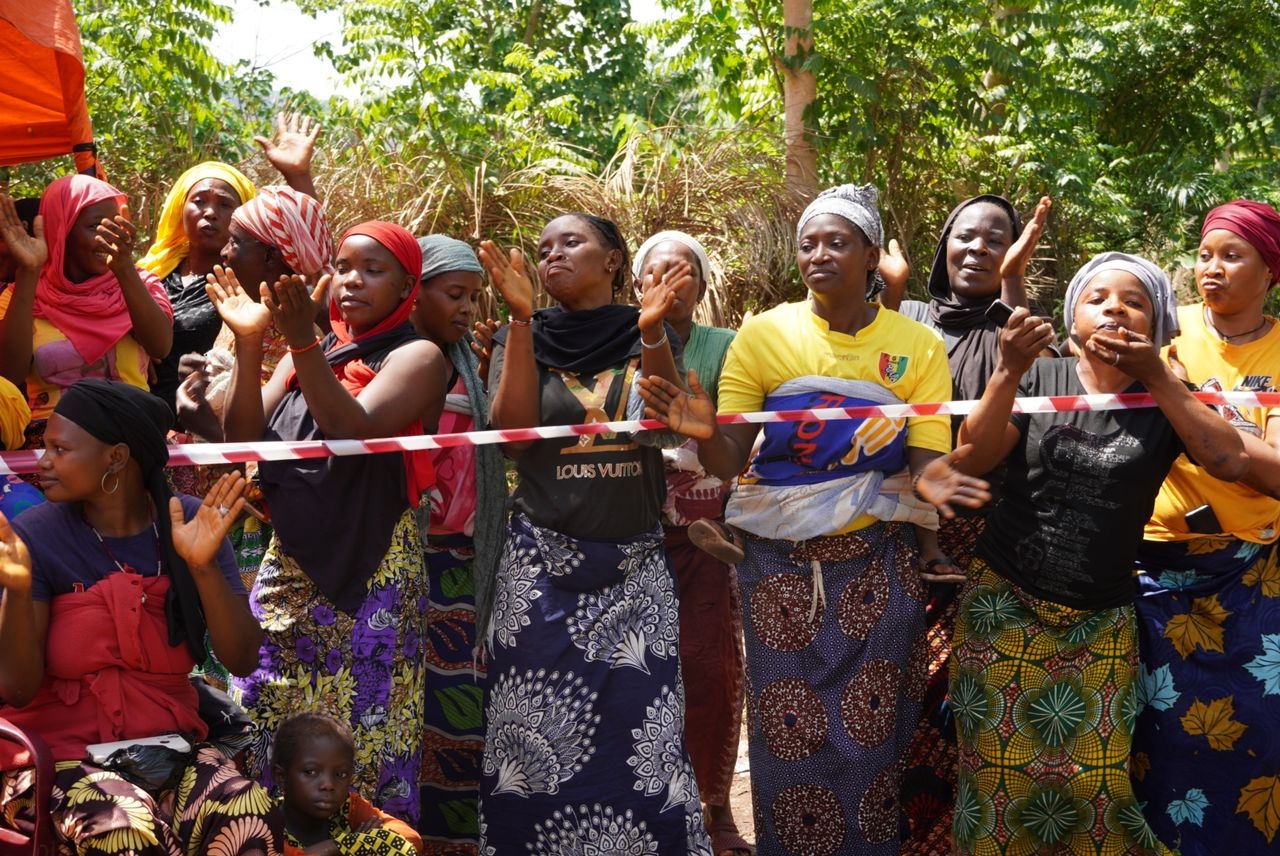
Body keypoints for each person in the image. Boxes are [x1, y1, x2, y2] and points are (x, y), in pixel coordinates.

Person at [639, 184, 983, 855]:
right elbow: (730, 458)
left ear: (871, 256)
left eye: (837, 241)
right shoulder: (767, 335)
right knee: (785, 740)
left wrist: (939, 485)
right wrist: (702, 430)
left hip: (879, 561)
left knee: (873, 741)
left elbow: (922, 460)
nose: (818, 254)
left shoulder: (917, 345)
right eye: (808, 243)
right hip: (777, 568)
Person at [916, 252, 1248, 855]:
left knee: (1097, 785)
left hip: (1101, 620)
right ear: (1073, 321)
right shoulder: (1041, 380)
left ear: (1160, 324)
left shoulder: (1167, 399)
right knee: (997, 779)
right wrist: (1008, 370)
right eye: (1097, 298)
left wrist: (1162, 379)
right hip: (1005, 611)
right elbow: (978, 453)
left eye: (1135, 301)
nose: (1115, 308)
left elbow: (1228, 459)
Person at [475, 212, 710, 854]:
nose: (553, 256)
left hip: (635, 572)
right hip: (540, 572)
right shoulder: (520, 334)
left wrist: (652, 331)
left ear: (613, 261)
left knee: (642, 740)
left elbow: (661, 425)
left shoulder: (647, 328)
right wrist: (521, 324)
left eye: (571, 243)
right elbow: (515, 439)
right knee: (531, 734)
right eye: (544, 247)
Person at [214, 220, 447, 826]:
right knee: (264, 706)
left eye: (373, 270)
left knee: (368, 726)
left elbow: (352, 428)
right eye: (344, 266)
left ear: (407, 289)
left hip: (374, 576)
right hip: (290, 562)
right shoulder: (309, 356)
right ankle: (259, 838)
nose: (352, 281)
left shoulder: (418, 356)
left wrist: (302, 344)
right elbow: (240, 439)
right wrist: (249, 343)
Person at [0, 379, 280, 852]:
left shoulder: (187, 522)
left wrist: (203, 567)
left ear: (116, 457)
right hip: (63, 755)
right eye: (43, 446)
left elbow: (242, 659)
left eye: (60, 449)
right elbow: (17, 689)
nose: (42, 462)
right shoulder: (34, 535)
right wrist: (17, 591)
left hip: (166, 746)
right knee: (122, 831)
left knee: (245, 812)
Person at [889, 193, 1051, 851]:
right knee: (902, 693)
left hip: (989, 543)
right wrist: (891, 293)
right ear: (943, 246)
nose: (978, 248)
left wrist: (1015, 288)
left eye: (995, 239)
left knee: (974, 698)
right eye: (966, 235)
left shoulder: (1021, 333)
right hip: (897, 534)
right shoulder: (904, 322)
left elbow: (1043, 403)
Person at [1131, 200, 1280, 852]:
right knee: (1152, 742)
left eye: (1232, 255)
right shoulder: (1165, 330)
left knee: (1256, 733)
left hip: (1250, 582)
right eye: (1205, 254)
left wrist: (1182, 400)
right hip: (1152, 575)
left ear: (1270, 270)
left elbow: (1275, 473)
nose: (1210, 269)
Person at [632, 229, 749, 856]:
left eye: (685, 273)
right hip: (631, 529)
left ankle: (713, 805)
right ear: (636, 284)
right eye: (658, 271)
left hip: (706, 530)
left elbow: (735, 437)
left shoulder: (727, 346)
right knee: (638, 667)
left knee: (709, 669)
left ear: (702, 289)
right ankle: (645, 805)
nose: (671, 283)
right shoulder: (615, 339)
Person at [410, 235, 506, 849]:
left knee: (462, 718)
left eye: (474, 296)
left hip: (465, 566)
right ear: (411, 292)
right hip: (406, 563)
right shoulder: (395, 362)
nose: (468, 308)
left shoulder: (474, 363)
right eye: (454, 294)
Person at [0, 176, 173, 439]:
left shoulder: (142, 283)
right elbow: (8, 374)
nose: (108, 238)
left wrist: (124, 269)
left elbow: (160, 346)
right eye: (95, 226)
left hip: (133, 433)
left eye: (115, 226)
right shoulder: (19, 295)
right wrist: (29, 272)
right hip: (54, 443)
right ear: (62, 230)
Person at [274, 712, 422, 855]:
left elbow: (410, 839)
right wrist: (349, 846)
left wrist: (344, 844)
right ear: (281, 777)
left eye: (340, 774)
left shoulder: (348, 809)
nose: (328, 785)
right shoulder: (262, 825)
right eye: (310, 772)